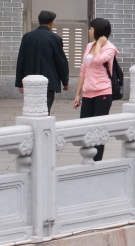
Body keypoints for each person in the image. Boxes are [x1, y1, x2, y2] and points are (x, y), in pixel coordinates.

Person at [72, 18, 119, 161]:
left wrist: (99, 44)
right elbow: (83, 70)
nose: (89, 31)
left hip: (103, 92)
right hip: (88, 92)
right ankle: (88, 157)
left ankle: (97, 160)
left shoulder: (110, 48)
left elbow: (98, 60)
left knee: (98, 128)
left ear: (98, 31)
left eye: (91, 29)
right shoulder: (89, 46)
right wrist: (77, 95)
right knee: (85, 126)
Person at [14, 10, 69, 112]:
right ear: (51, 23)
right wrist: (65, 81)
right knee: (45, 111)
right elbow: (61, 61)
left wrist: (20, 83)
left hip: (30, 80)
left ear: (39, 21)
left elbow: (21, 60)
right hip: (49, 82)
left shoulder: (27, 37)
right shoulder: (55, 38)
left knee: (32, 110)